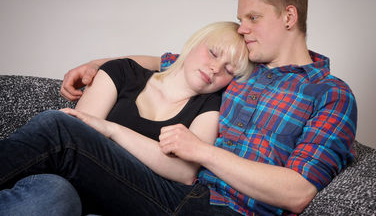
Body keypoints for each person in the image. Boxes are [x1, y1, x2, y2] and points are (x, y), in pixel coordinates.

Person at [60, 0, 358, 215]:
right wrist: (95, 64)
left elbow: (298, 192)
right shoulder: (240, 68)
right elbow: (171, 63)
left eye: (253, 18)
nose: (242, 29)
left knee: (61, 130)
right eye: (241, 20)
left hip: (226, 210)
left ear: (289, 17)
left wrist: (202, 152)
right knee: (59, 153)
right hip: (174, 192)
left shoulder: (330, 94)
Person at [0, 21, 253, 215]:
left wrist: (112, 130)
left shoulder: (210, 105)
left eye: (229, 70)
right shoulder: (122, 72)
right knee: (54, 194)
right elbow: (79, 133)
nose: (215, 68)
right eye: (213, 53)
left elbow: (183, 171)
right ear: (193, 44)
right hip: (68, 185)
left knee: (55, 124)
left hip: (131, 198)